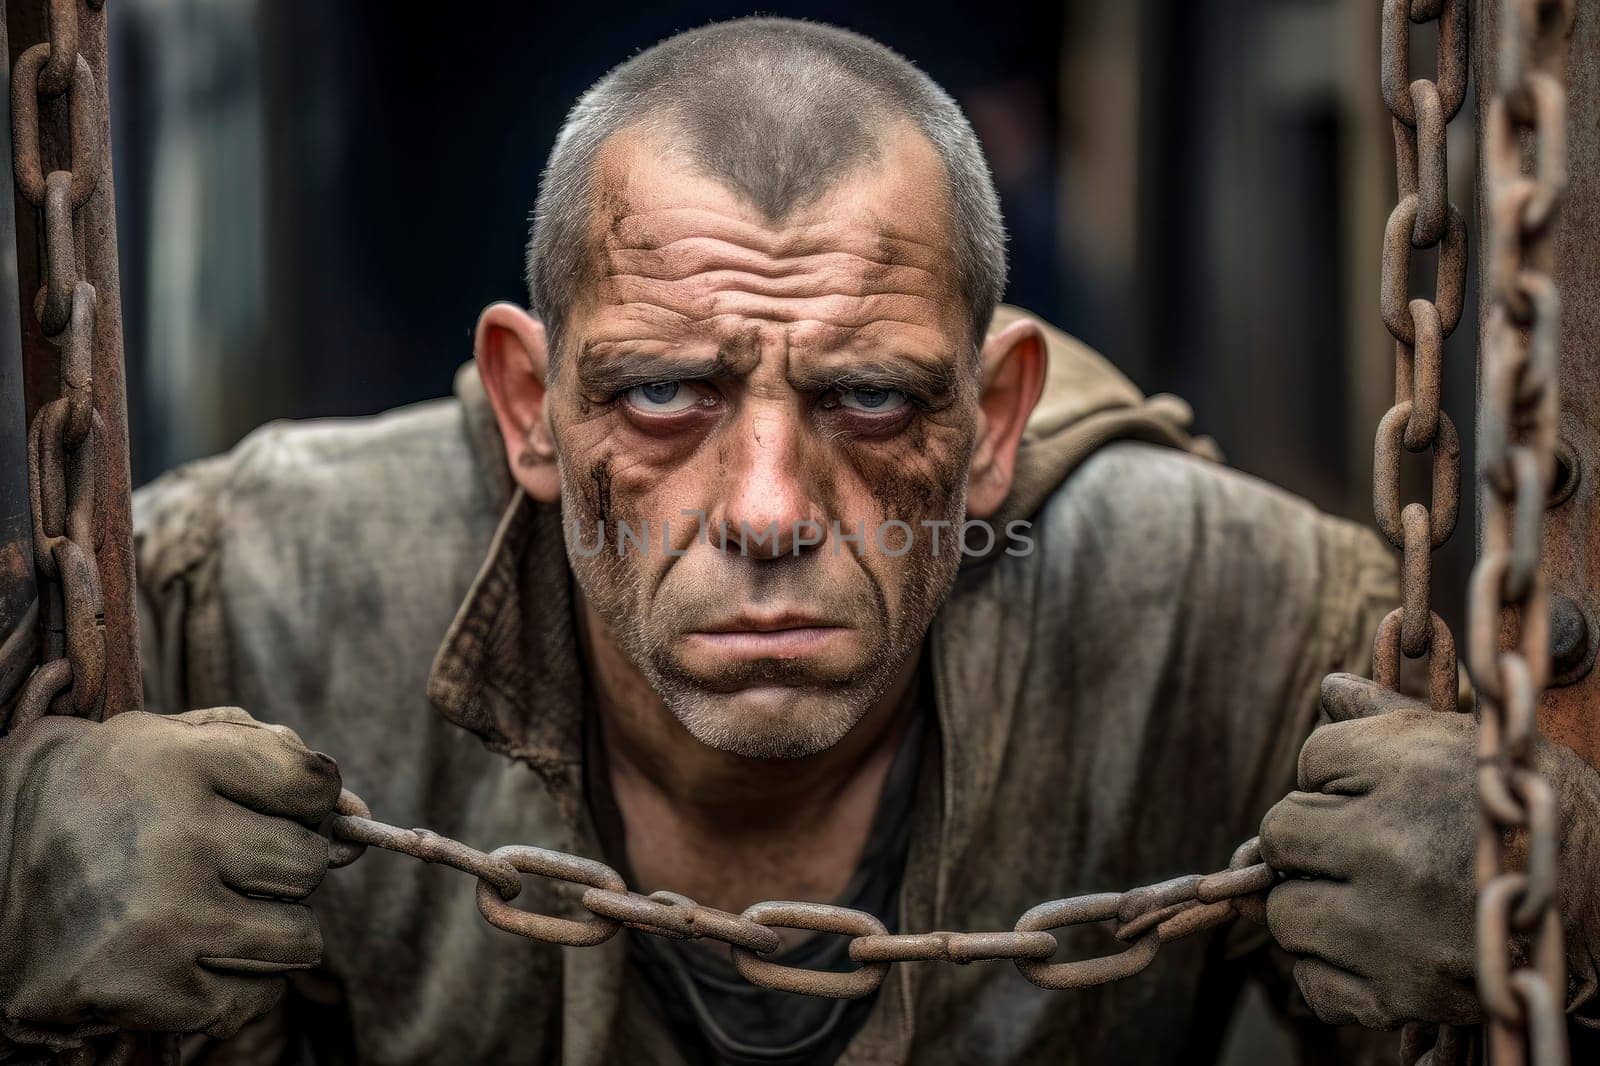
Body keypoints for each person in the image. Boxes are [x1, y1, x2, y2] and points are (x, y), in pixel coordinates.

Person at [2, 16, 1597, 1066]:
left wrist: (1566, 894)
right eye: (667, 395)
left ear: (993, 418)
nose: (767, 510)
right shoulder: (257, 590)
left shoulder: (1214, 608)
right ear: (529, 403)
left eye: (870, 400)